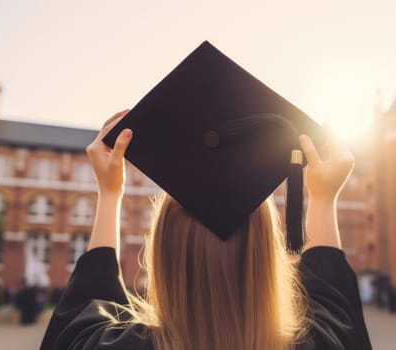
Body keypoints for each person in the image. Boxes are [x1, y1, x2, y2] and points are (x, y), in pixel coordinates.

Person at [41, 110, 371, 349]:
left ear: (162, 255)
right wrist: (324, 200)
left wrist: (110, 194)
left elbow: (89, 301)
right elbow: (331, 297)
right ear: (266, 256)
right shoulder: (322, 343)